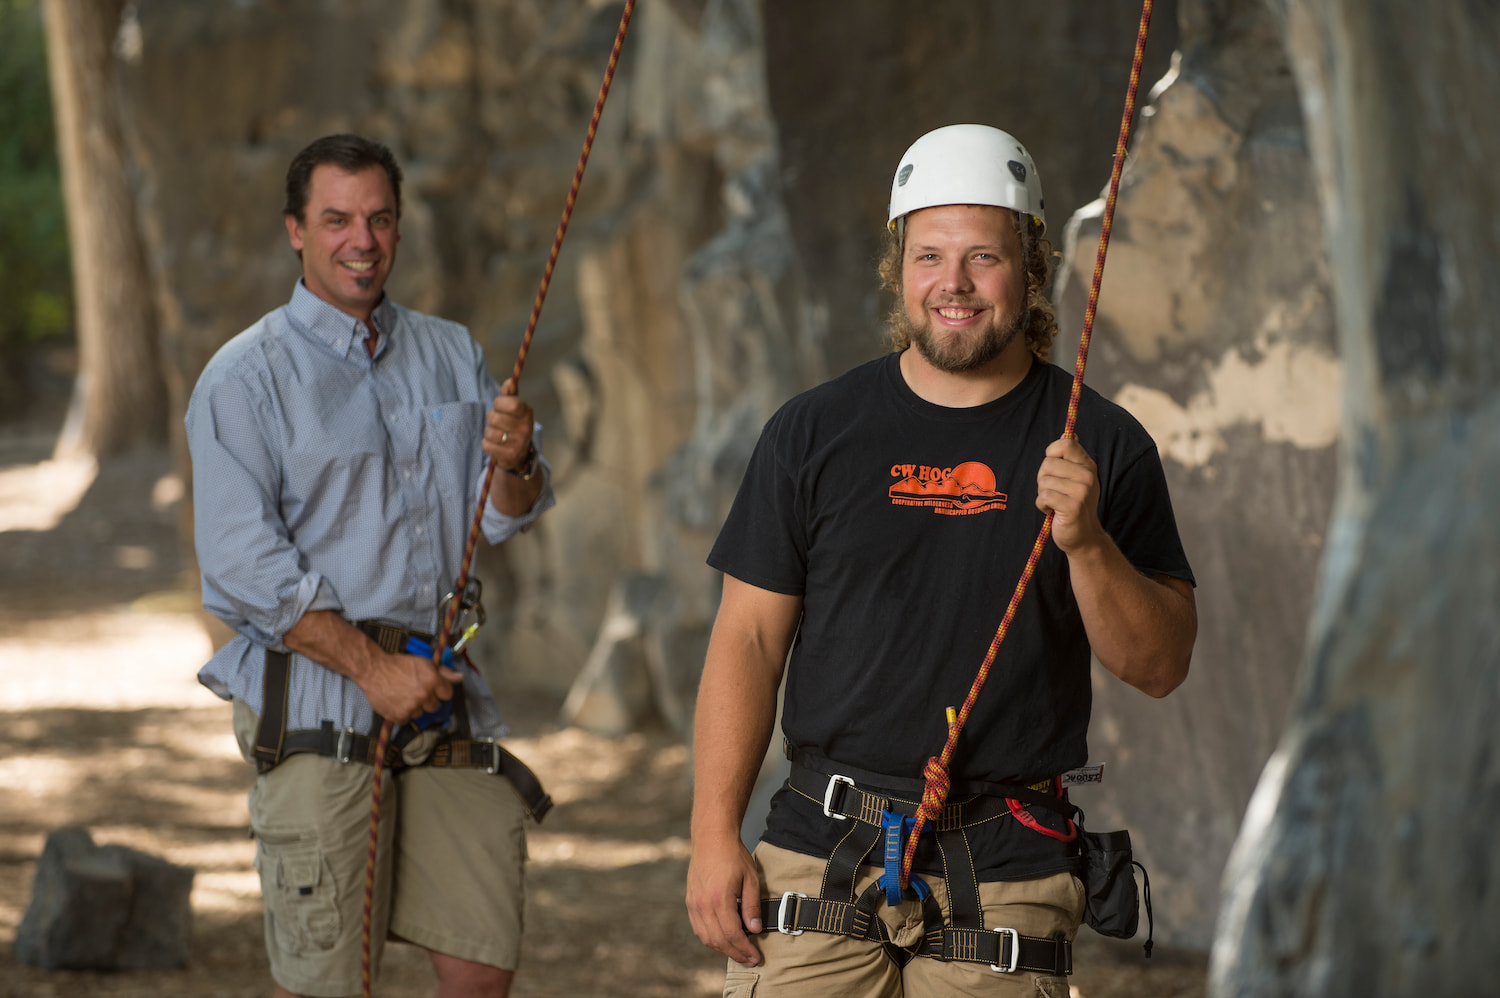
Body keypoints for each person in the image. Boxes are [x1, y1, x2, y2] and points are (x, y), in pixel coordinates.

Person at [685, 123, 1198, 996]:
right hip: (822, 842)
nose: (952, 285)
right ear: (899, 265)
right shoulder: (813, 434)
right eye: (929, 255)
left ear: (1030, 264)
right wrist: (710, 836)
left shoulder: (1103, 445)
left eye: (982, 257)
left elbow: (1159, 665)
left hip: (1006, 858)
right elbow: (748, 642)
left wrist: (1087, 543)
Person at [186, 134, 555, 998]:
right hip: (321, 708)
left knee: (481, 967)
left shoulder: (447, 350)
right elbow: (244, 565)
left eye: (380, 218)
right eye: (337, 219)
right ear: (295, 232)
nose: (363, 240)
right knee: (329, 985)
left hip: (442, 700)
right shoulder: (245, 378)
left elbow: (501, 517)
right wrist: (369, 669)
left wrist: (516, 461)